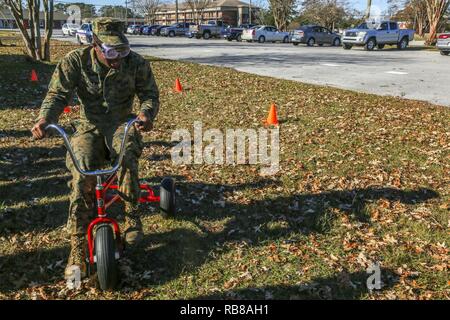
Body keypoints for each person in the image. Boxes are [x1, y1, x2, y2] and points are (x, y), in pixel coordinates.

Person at [30, 18, 159, 280]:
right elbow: (57, 95)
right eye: (111, 52)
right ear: (95, 43)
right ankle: (77, 242)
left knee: (127, 151)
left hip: (122, 122)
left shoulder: (136, 63)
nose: (118, 58)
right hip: (88, 127)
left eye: (122, 50)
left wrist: (146, 114)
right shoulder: (75, 61)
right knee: (81, 167)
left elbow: (149, 95)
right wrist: (46, 119)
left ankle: (131, 214)